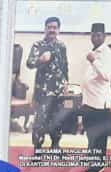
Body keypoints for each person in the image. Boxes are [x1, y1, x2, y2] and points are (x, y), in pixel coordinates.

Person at [25, 17, 69, 150]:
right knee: (40, 121)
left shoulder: (62, 46)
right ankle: (38, 149)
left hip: (58, 91)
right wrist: (41, 60)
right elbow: (29, 63)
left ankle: (55, 146)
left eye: (54, 28)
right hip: (43, 91)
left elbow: (65, 66)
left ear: (58, 30)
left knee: (57, 120)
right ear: (45, 29)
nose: (52, 30)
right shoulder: (38, 45)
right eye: (49, 27)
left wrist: (66, 83)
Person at [81, 23, 111, 172]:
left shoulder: (107, 53)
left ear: (104, 36)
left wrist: (94, 61)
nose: (95, 37)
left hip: (100, 103)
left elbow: (107, 76)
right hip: (89, 101)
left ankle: (98, 165)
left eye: (99, 35)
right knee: (90, 133)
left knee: (99, 136)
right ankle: (92, 157)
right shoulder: (93, 51)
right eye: (93, 35)